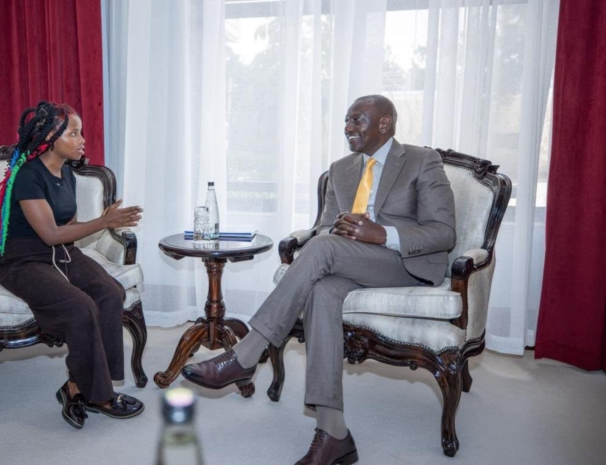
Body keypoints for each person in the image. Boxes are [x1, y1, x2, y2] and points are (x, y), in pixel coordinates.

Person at [181, 95, 456, 464]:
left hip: (402, 263)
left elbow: (443, 233)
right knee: (323, 290)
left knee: (325, 249)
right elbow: (323, 227)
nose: (348, 128)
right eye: (346, 121)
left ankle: (246, 354)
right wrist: (337, 232)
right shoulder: (340, 169)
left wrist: (382, 234)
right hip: (347, 260)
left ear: (385, 124)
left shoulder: (422, 161)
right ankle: (334, 432)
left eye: (357, 120)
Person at [0, 101, 145, 429]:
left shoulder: (67, 174)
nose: (82, 139)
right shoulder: (28, 176)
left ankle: (75, 387)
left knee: (110, 292)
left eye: (81, 132)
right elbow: (49, 233)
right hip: (22, 260)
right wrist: (103, 222)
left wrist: (100, 222)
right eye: (74, 133)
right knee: (79, 305)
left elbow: (67, 228)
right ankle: (98, 395)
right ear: (49, 137)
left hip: (61, 252)